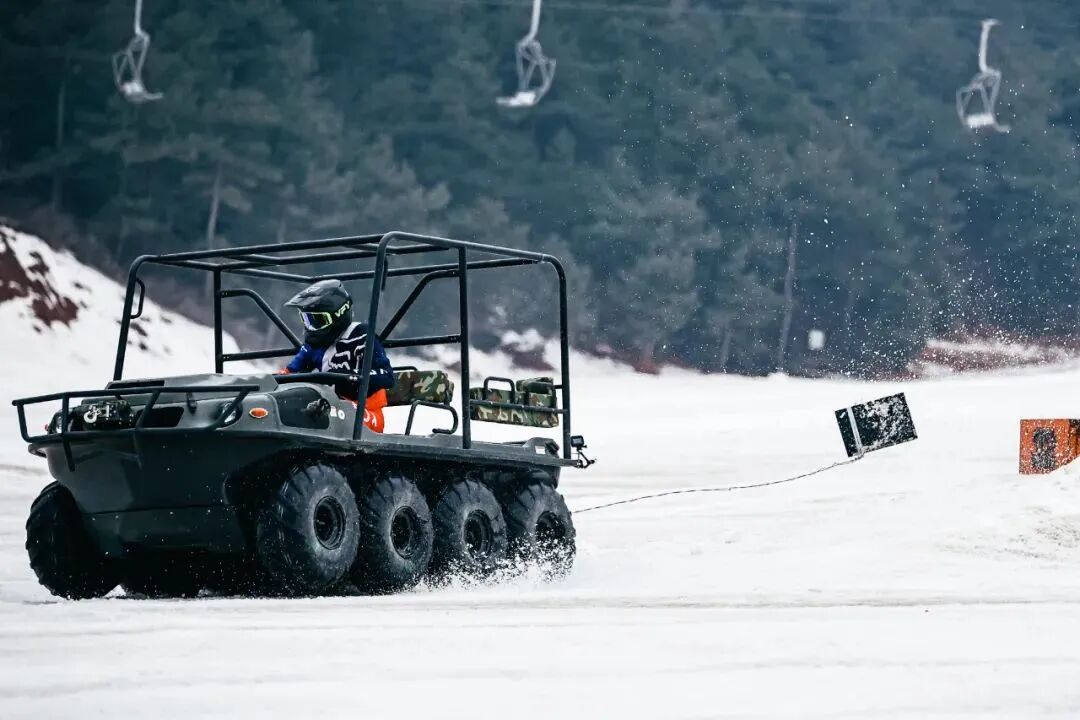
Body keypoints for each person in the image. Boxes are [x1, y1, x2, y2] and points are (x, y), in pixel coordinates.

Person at [280, 279, 394, 433]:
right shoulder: (314, 346)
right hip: (329, 410)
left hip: (366, 413)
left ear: (338, 315)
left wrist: (347, 377)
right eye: (307, 320)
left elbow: (387, 376)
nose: (311, 327)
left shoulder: (362, 336)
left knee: (331, 411)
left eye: (317, 321)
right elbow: (288, 374)